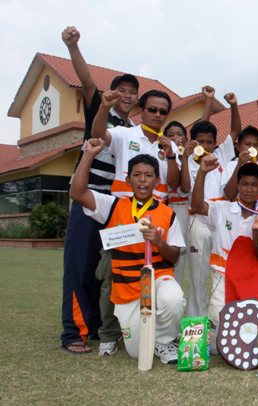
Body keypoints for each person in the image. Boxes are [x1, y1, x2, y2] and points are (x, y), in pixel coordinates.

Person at [60, 26, 139, 355]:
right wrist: (74, 47)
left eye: (133, 92)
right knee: (78, 265)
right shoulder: (100, 110)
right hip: (88, 197)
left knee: (104, 268)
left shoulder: (133, 130)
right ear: (113, 92)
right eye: (123, 90)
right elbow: (87, 81)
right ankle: (73, 332)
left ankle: (97, 326)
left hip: (116, 204)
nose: (128, 96)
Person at [70, 139, 185, 364]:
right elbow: (77, 192)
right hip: (127, 288)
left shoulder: (167, 213)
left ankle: (164, 341)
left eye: (149, 175)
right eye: (137, 174)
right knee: (136, 351)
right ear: (128, 179)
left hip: (159, 279)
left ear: (157, 181)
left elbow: (175, 256)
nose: (143, 180)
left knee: (173, 298)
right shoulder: (113, 205)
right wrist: (88, 155)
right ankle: (141, 337)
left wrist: (160, 242)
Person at [91, 88, 180, 355]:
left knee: (160, 281)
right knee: (112, 277)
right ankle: (109, 334)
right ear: (141, 109)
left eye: (163, 111)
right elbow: (98, 134)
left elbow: (174, 184)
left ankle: (160, 338)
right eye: (152, 109)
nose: (157, 115)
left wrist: (172, 155)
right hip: (122, 217)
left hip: (156, 217)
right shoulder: (125, 133)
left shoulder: (168, 144)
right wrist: (104, 108)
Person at [191, 158, 258, 340]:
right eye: (244, 184)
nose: (249, 189)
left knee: (249, 326)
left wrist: (256, 232)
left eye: (254, 185)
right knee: (220, 320)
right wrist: (202, 173)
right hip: (223, 275)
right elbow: (196, 206)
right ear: (237, 185)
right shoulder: (223, 208)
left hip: (252, 277)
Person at [179, 91, 238, 317]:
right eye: (200, 141)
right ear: (193, 142)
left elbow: (234, 132)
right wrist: (185, 159)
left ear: (215, 144)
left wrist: (233, 105)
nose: (205, 145)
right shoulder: (189, 162)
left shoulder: (221, 156)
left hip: (221, 222)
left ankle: (218, 320)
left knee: (221, 273)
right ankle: (196, 322)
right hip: (198, 222)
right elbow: (184, 188)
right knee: (197, 276)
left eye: (209, 142)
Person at [164, 121, 189, 287]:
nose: (175, 138)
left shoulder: (191, 157)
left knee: (183, 259)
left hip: (190, 211)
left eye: (179, 134)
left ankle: (177, 298)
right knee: (172, 257)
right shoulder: (163, 158)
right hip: (172, 209)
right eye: (171, 135)